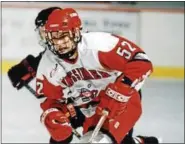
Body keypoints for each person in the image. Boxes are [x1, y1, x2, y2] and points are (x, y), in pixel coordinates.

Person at [37, 8, 159, 144]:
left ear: (76, 32)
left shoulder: (99, 45)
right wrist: (54, 114)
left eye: (64, 36)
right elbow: (50, 100)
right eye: (54, 37)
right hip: (89, 110)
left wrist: (121, 90)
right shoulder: (47, 64)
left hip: (122, 103)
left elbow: (141, 62)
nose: (59, 43)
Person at [8, 6, 62, 91]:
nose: (43, 36)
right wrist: (33, 66)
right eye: (41, 32)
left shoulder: (84, 47)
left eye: (45, 31)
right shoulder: (53, 51)